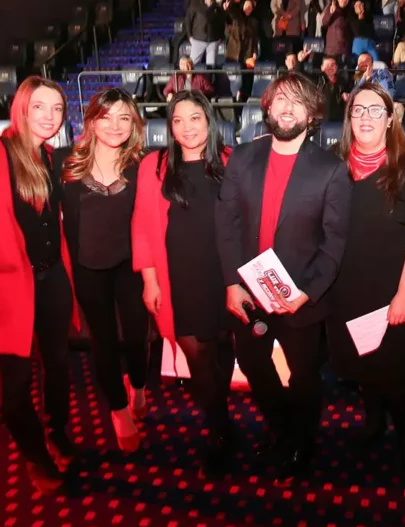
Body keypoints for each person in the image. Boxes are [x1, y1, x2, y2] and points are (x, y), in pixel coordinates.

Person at [214, 74, 352, 486]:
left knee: (304, 376)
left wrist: (305, 294)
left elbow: (335, 243)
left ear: (312, 114)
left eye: (298, 102)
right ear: (267, 108)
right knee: (254, 366)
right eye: (280, 101)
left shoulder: (331, 170)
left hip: (301, 298)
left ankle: (303, 443)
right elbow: (227, 223)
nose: (287, 108)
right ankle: (283, 427)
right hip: (250, 291)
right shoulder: (241, 158)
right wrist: (231, 282)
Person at [0, 76, 78, 494]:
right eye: (40, 107)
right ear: (21, 108)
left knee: (59, 368)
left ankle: (57, 433)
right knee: (14, 386)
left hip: (52, 282)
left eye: (57, 109)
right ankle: (37, 457)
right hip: (8, 291)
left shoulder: (46, 155)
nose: (50, 117)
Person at [327, 84, 405, 473]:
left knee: (394, 372)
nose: (365, 118)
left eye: (374, 111)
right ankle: (374, 423)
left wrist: (404, 296)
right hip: (345, 288)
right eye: (357, 110)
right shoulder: (334, 163)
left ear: (390, 119)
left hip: (391, 289)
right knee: (363, 366)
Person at [132, 91, 234, 478]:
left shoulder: (229, 162)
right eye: (178, 120)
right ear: (170, 127)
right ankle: (219, 430)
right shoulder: (154, 166)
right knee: (195, 352)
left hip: (223, 274)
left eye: (195, 118)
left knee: (222, 346)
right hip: (178, 276)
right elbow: (141, 225)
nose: (187, 127)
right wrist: (149, 280)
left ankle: (220, 418)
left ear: (209, 121)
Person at [60, 88, 148, 453]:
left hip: (131, 265)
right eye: (106, 117)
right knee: (104, 342)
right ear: (92, 120)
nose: (115, 125)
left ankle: (139, 386)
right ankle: (119, 411)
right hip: (87, 268)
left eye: (124, 117)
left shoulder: (141, 166)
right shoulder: (65, 164)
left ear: (134, 124)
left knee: (137, 334)